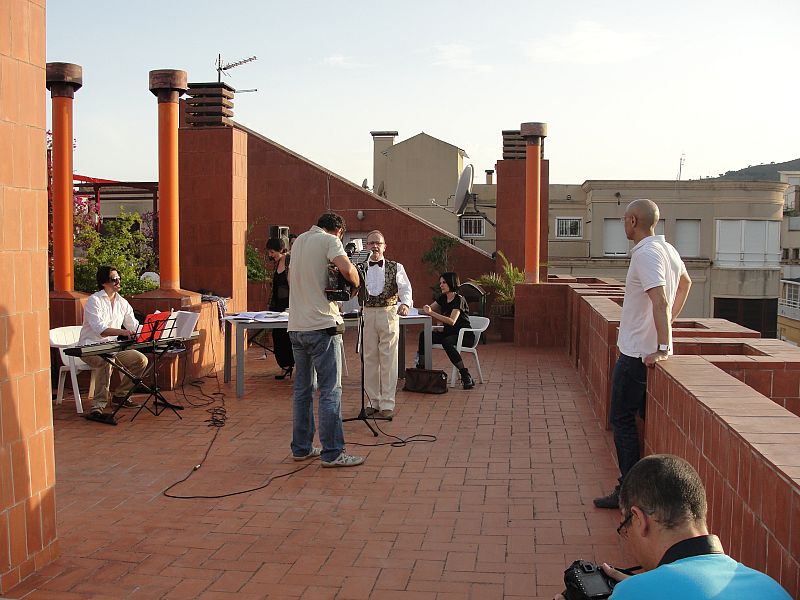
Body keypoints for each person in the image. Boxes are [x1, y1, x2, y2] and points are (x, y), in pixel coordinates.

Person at [555, 454, 791, 599]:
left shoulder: (635, 593)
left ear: (639, 520)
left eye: (625, 528)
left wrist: (640, 590)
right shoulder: (773, 589)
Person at [595, 199, 692, 509]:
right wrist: (667, 329)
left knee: (621, 419)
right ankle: (634, 492)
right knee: (634, 418)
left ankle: (628, 492)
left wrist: (662, 346)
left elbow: (660, 300)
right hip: (642, 351)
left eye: (624, 220)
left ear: (634, 221)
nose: (623, 225)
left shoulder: (646, 254)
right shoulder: (668, 250)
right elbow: (686, 284)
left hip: (637, 354)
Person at [287, 213, 365, 467]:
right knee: (330, 391)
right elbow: (345, 267)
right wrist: (356, 282)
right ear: (338, 230)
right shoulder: (330, 240)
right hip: (322, 327)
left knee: (303, 390)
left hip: (296, 326)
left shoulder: (298, 242)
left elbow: (291, 278)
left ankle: (301, 447)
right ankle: (332, 452)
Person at [78, 265, 149, 424]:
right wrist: (122, 332)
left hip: (112, 348)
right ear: (104, 282)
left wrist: (154, 328)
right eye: (113, 279)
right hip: (91, 347)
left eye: (118, 278)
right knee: (105, 361)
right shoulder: (94, 300)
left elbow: (134, 326)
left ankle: (121, 395)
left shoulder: (122, 302)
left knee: (140, 360)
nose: (118, 281)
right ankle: (98, 406)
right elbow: (99, 329)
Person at [356, 230, 413, 419]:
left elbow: (406, 288)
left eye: (378, 243)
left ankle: (388, 403)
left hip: (388, 313)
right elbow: (352, 288)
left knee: (389, 359)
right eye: (371, 243)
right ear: (366, 246)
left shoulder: (396, 267)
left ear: (384, 246)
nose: (374, 246)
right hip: (367, 314)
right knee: (370, 358)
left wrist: (405, 304)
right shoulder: (360, 267)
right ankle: (372, 401)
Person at [417, 272, 476, 390]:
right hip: (449, 333)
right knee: (425, 335)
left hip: (464, 335)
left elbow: (452, 321)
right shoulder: (443, 298)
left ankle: (465, 375)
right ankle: (422, 369)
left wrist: (431, 313)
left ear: (451, 283)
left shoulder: (459, 300)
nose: (441, 285)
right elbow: (427, 310)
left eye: (444, 283)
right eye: (440, 283)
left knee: (447, 342)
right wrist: (408, 309)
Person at [266, 236, 294, 380]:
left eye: (272, 252)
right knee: (278, 336)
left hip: (290, 306)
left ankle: (291, 365)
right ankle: (285, 366)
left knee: (289, 337)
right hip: (277, 306)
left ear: (280, 250)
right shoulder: (276, 264)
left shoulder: (290, 261)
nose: (270, 255)